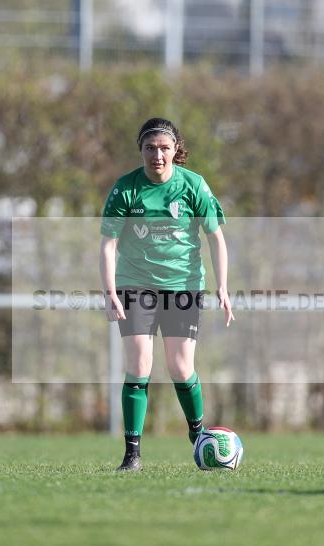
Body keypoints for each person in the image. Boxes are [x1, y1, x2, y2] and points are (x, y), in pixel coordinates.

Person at [100, 117, 234, 472]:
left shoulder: (193, 186)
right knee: (139, 364)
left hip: (183, 287)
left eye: (164, 148)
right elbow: (108, 243)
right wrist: (110, 291)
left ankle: (198, 436)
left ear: (176, 150)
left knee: (179, 366)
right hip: (135, 285)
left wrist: (222, 285)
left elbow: (216, 237)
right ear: (140, 150)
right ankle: (131, 454)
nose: (157, 155)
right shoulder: (126, 188)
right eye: (150, 148)